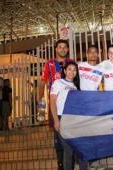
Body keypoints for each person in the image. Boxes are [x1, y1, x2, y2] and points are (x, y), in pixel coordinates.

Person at [38, 39, 72, 169]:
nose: (62, 49)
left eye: (65, 47)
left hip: (70, 103)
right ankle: (61, 163)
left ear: (67, 49)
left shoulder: (71, 63)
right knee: (58, 133)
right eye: (60, 47)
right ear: (56, 49)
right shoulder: (49, 64)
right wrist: (39, 100)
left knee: (71, 131)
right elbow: (42, 83)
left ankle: (71, 159)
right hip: (55, 105)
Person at [50, 62, 80, 170]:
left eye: (74, 70)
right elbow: (52, 102)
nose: (72, 72)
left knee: (75, 150)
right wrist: (56, 120)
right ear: (64, 71)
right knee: (67, 150)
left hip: (73, 120)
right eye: (69, 69)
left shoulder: (76, 86)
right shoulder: (58, 83)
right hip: (61, 118)